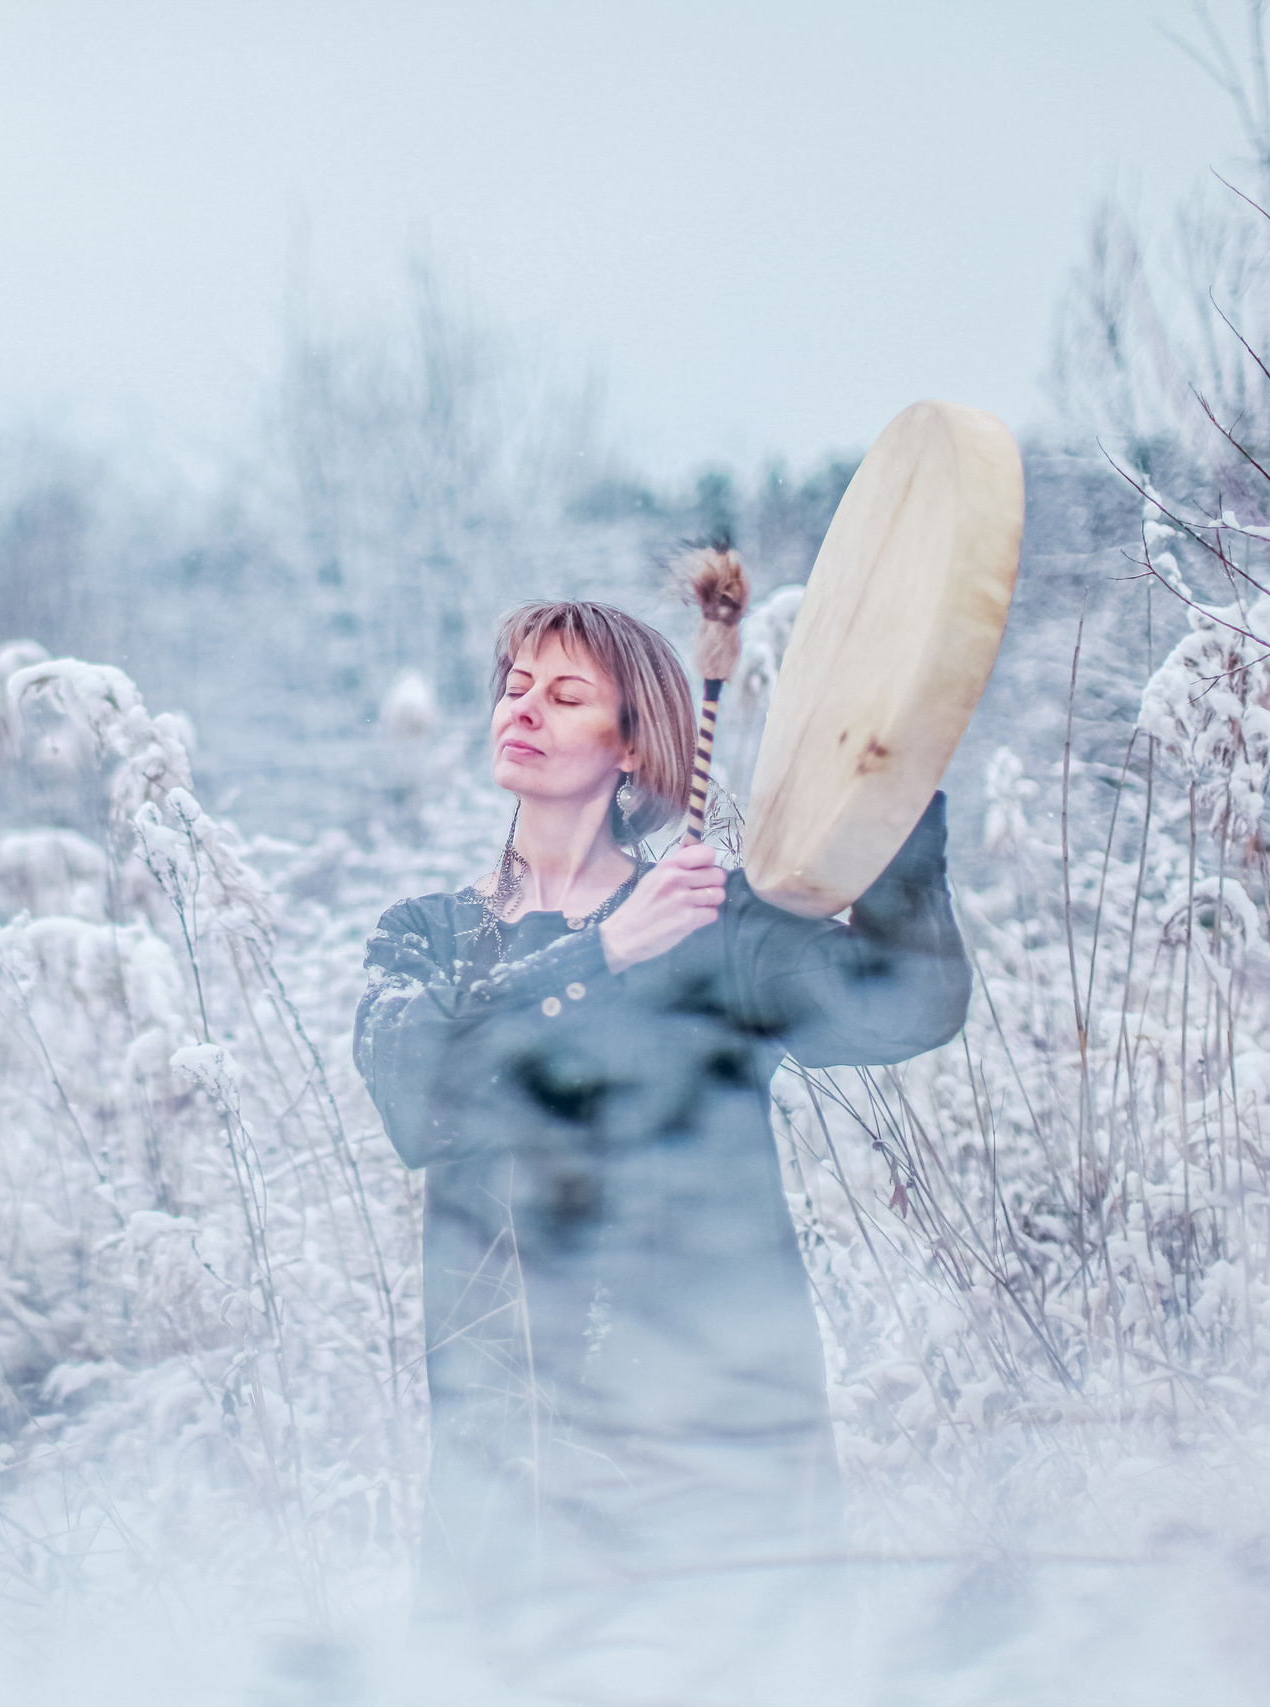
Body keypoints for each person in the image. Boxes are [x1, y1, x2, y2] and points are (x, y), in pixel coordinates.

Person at [353, 599, 971, 1702]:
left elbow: (904, 1006)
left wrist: (889, 792)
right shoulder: (429, 940)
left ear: (632, 745)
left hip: (720, 1467)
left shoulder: (715, 926)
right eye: (514, 686)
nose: (523, 709)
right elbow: (420, 1095)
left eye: (566, 693)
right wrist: (601, 954)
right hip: (510, 1492)